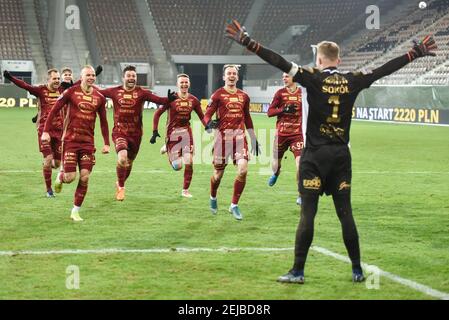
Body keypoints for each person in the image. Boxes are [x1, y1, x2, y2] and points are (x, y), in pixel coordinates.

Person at [226, 20, 437, 282]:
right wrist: (413, 54)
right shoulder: (353, 80)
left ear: (319, 58)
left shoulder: (312, 77)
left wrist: (249, 43)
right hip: (340, 158)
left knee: (308, 214)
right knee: (345, 214)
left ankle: (298, 271)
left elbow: (278, 61)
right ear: (339, 59)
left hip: (314, 157)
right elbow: (383, 70)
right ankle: (357, 270)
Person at [41, 65, 110, 222]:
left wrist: (106, 143)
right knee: (70, 177)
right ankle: (60, 177)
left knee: (85, 177)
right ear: (82, 76)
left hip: (87, 143)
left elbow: (104, 122)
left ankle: (75, 211)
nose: (91, 77)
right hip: (70, 141)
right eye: (88, 75)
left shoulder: (99, 97)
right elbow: (54, 110)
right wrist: (46, 131)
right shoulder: (71, 92)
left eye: (93, 75)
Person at [99, 65, 176, 201]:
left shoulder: (141, 92)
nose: (131, 78)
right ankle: (122, 188)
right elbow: (97, 93)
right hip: (120, 132)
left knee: (128, 162)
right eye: (128, 76)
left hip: (136, 134)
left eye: (133, 76)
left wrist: (168, 99)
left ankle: (119, 183)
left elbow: (158, 100)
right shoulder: (114, 91)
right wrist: (77, 85)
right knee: (122, 158)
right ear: (123, 77)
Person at [203, 64, 260, 221]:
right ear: (224, 77)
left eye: (234, 73)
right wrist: (208, 123)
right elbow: (206, 115)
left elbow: (247, 118)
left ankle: (234, 205)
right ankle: (213, 196)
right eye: (229, 73)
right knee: (217, 175)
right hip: (222, 140)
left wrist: (253, 138)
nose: (232, 76)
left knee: (242, 170)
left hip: (240, 139)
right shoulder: (217, 95)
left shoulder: (244, 96)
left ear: (237, 76)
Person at [3, 69, 64, 197]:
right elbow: (24, 85)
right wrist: (10, 77)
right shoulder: (41, 90)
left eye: (58, 78)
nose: (57, 81)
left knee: (56, 163)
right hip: (44, 131)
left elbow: (77, 86)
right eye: (54, 78)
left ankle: (46, 166)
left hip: (59, 131)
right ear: (48, 79)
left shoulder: (62, 91)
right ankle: (49, 190)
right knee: (48, 159)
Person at [151, 73, 206, 198]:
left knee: (189, 160)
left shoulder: (194, 100)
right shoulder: (171, 99)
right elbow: (157, 114)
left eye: (186, 82)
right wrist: (155, 131)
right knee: (177, 166)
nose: (184, 84)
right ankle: (167, 147)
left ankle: (185, 190)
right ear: (177, 84)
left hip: (186, 133)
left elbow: (202, 117)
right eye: (181, 82)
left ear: (189, 84)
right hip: (172, 134)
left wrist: (208, 125)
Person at [267, 73, 304, 205]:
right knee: (276, 164)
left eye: (287, 76)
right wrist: (284, 109)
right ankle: (276, 174)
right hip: (281, 134)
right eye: (283, 76)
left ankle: (300, 195)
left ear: (294, 78)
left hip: (297, 134)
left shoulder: (302, 93)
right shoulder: (280, 93)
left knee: (300, 165)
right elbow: (270, 112)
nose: (284, 78)